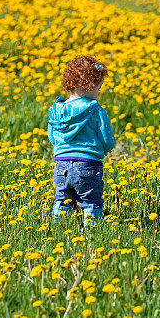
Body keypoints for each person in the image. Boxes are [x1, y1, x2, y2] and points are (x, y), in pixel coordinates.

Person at [47, 55, 115, 225]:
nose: (99, 92)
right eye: (98, 88)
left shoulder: (56, 110)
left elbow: (52, 136)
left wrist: (62, 148)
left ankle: (58, 229)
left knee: (62, 200)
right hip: (87, 164)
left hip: (61, 164)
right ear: (89, 86)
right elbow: (107, 138)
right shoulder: (96, 110)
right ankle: (93, 233)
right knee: (91, 203)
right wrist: (105, 149)